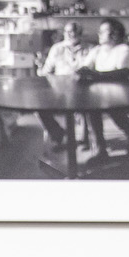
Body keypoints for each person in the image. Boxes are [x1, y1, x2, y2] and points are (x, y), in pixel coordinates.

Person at [35, 21, 92, 171]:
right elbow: (46, 71)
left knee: (85, 105)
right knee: (39, 108)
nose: (69, 34)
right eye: (67, 32)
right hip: (59, 89)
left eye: (73, 31)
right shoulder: (57, 48)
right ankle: (58, 134)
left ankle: (84, 138)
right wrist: (40, 67)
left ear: (80, 33)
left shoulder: (90, 49)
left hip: (82, 89)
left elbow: (93, 70)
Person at [81, 18, 129, 157]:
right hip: (101, 92)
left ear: (114, 34)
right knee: (91, 110)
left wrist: (95, 75)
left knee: (117, 115)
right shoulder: (97, 50)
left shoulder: (123, 49)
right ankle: (100, 148)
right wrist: (83, 70)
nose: (99, 34)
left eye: (103, 31)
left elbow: (123, 73)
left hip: (121, 92)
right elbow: (86, 66)